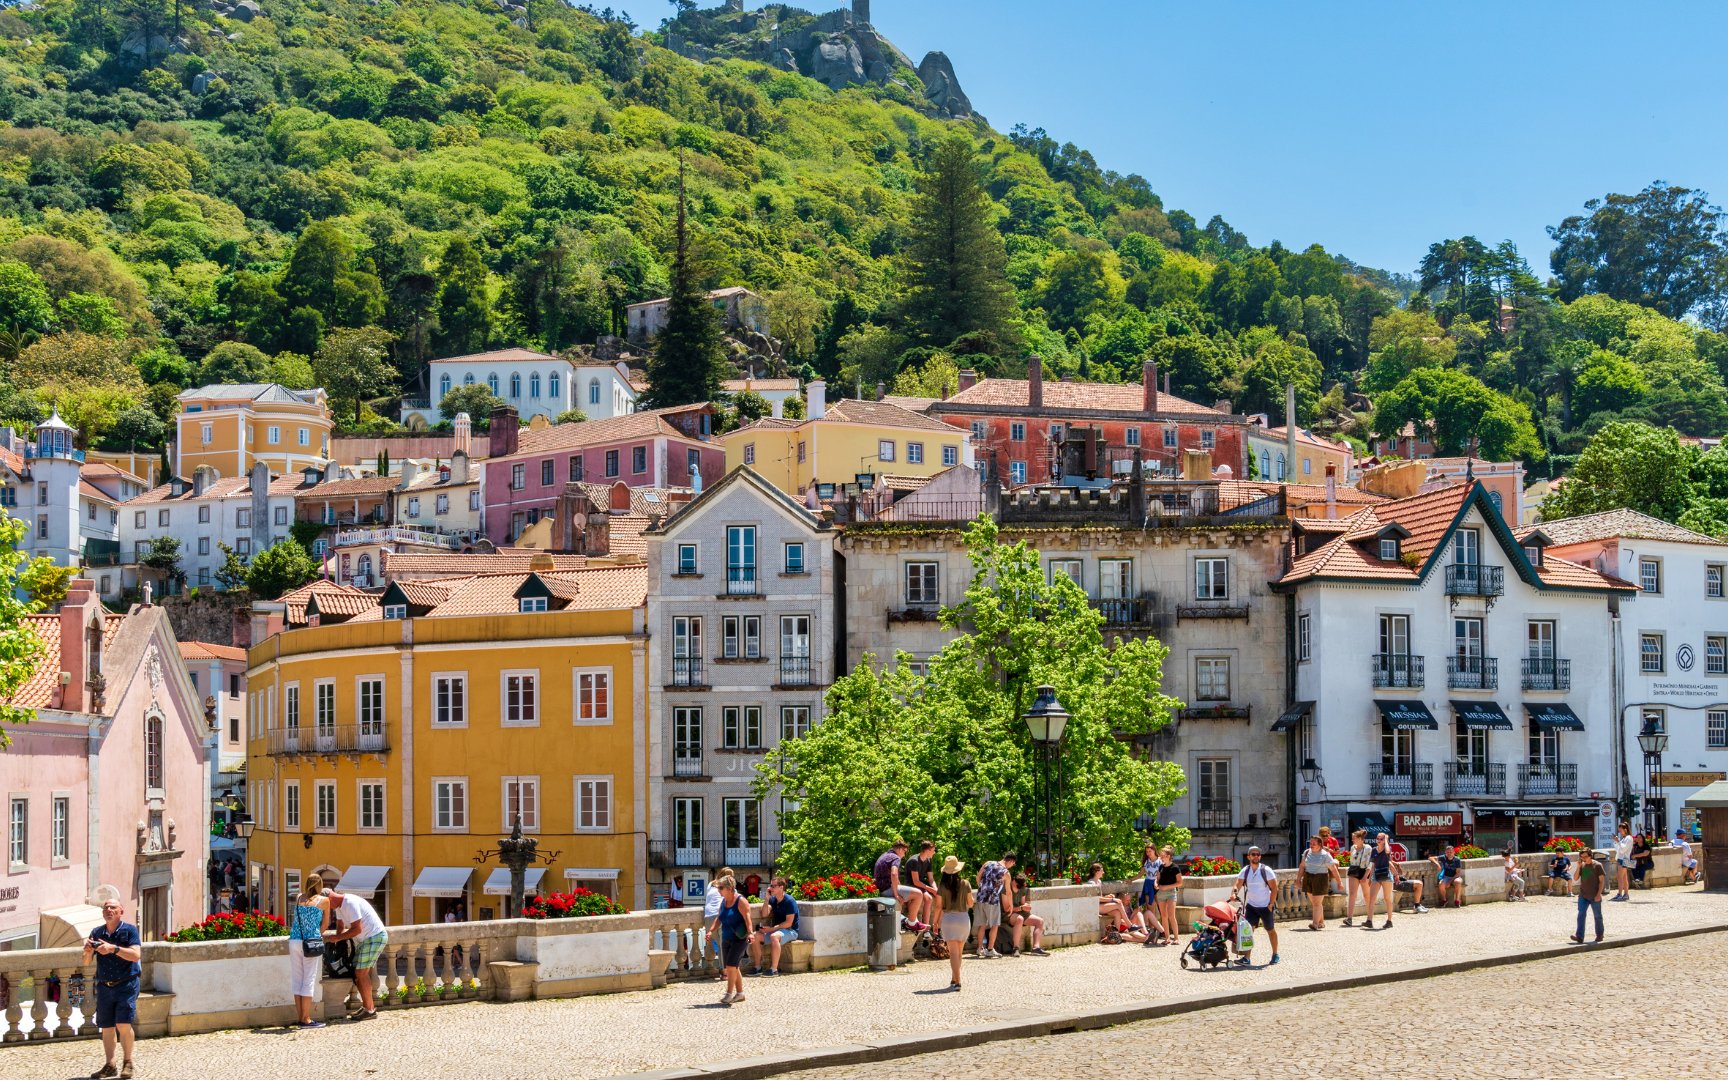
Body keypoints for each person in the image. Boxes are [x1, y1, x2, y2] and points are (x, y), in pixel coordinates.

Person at [84, 896, 143, 1079]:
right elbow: (86, 963)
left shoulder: (129, 930)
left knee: (123, 1024)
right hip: (104, 985)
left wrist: (113, 949)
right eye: (106, 908)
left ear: (121, 911)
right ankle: (110, 1064)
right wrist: (87, 951)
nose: (109, 910)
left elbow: (135, 955)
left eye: (113, 907)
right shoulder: (97, 932)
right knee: (107, 1026)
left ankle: (128, 1062)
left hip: (126, 983)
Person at [322, 886, 389, 1019]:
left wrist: (337, 938)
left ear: (329, 898)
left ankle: (370, 1010)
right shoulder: (339, 906)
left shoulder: (349, 903)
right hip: (365, 940)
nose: (326, 908)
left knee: (360, 973)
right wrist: (338, 944)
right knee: (357, 973)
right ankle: (367, 1007)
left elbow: (357, 929)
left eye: (325, 904)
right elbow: (340, 926)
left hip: (373, 937)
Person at [288, 873, 331, 1028]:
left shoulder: (299, 897)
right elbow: (325, 924)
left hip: (294, 940)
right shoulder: (324, 900)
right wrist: (315, 933)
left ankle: (300, 1017)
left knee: (297, 979)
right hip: (310, 942)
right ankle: (306, 1019)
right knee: (309, 979)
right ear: (320, 885)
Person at [1229, 845, 1279, 965]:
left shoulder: (1266, 870)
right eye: (1253, 854)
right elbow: (1238, 884)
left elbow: (1274, 888)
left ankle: (1275, 954)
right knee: (1248, 931)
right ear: (1248, 857)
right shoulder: (1245, 870)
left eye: (1258, 854)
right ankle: (1247, 958)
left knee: (1270, 930)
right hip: (1251, 906)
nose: (1256, 856)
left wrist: (1271, 904)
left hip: (1265, 906)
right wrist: (1234, 894)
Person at [709, 875, 753, 1005]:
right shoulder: (724, 902)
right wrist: (711, 930)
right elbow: (719, 918)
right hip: (726, 937)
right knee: (734, 966)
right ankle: (740, 993)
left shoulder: (740, 901)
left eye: (721, 888)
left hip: (739, 939)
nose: (718, 890)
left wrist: (750, 933)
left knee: (730, 967)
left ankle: (728, 994)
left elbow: (748, 918)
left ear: (729, 888)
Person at [873, 839, 929, 933]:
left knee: (909, 894)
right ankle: (911, 924)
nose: (904, 855)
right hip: (887, 889)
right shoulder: (896, 857)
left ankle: (911, 921)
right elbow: (894, 874)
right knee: (918, 894)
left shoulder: (885, 855)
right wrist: (896, 894)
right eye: (904, 851)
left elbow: (894, 877)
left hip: (881, 889)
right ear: (899, 849)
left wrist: (899, 889)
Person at [747, 877, 799, 977]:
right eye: (770, 886)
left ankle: (774, 969)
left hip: (791, 930)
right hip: (778, 929)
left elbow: (789, 923)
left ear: (781, 887)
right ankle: (758, 967)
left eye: (773, 886)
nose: (770, 888)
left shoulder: (789, 901)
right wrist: (766, 899)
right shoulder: (773, 900)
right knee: (755, 936)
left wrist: (772, 929)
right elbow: (764, 914)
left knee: (774, 936)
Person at [936, 856, 972, 991]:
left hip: (949, 919)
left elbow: (938, 907)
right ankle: (954, 978)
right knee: (959, 953)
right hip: (963, 919)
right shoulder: (965, 883)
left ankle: (958, 981)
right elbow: (970, 903)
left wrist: (935, 923)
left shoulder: (942, 887)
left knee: (953, 954)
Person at [973, 852, 1013, 958]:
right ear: (1010, 861)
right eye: (1012, 864)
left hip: (981, 897)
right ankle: (990, 949)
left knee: (982, 924)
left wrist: (983, 890)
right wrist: (1011, 905)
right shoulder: (1006, 873)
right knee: (994, 925)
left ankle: (979, 948)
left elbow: (978, 878)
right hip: (992, 900)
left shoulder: (988, 863)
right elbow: (1008, 892)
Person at [1300, 834, 1342, 930]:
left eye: (1314, 843)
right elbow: (1302, 866)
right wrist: (1298, 879)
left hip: (1321, 878)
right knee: (1315, 903)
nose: (1311, 845)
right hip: (1308, 877)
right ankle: (1321, 922)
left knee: (1316, 903)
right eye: (1310, 843)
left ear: (1320, 844)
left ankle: (1315, 924)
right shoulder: (1307, 852)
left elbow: (1333, 869)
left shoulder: (1325, 855)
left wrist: (1339, 882)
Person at [1005, 874, 1049, 956]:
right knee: (1020, 919)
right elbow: (1007, 909)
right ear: (1014, 881)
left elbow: (1023, 902)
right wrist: (1021, 907)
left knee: (1039, 921)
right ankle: (1016, 948)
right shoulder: (1007, 889)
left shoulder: (1023, 889)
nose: (1021, 887)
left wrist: (1026, 906)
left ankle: (1036, 948)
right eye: (1019, 885)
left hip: (1021, 912)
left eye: (1022, 885)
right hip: (1009, 914)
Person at [1570, 847, 1605, 944]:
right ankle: (1579, 936)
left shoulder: (1597, 865)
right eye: (1582, 857)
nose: (1583, 858)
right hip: (1583, 895)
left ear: (1590, 856)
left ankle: (1599, 934)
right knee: (1581, 915)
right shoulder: (1582, 865)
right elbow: (1576, 878)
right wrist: (1578, 866)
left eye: (1585, 856)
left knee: (1597, 916)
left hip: (1594, 895)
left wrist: (1598, 894)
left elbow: (1602, 881)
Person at [1362, 833, 1397, 929]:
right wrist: (1369, 877)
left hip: (1386, 873)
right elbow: (1372, 864)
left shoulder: (1387, 849)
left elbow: (1387, 852)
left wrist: (1386, 840)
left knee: (1387, 898)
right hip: (1376, 874)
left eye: (1381, 839)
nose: (1379, 840)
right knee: (1372, 898)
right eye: (1377, 838)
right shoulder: (1374, 850)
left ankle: (1389, 920)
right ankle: (1369, 920)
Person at [703, 867, 735, 967]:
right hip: (720, 916)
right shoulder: (728, 887)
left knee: (720, 943)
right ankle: (724, 970)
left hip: (708, 916)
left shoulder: (711, 884)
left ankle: (724, 969)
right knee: (723, 945)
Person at [1153, 846, 1182, 946]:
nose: (1161, 858)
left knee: (1171, 916)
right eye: (1161, 856)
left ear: (1168, 856)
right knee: (1164, 916)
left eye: (1163, 856)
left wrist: (1167, 887)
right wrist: (1155, 883)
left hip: (1171, 893)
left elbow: (1180, 883)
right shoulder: (1161, 867)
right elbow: (1157, 878)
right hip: (1161, 893)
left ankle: (1176, 938)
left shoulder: (1175, 867)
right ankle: (1167, 937)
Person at [1343, 829, 1372, 927]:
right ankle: (1349, 918)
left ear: (1360, 838)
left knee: (1367, 895)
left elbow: (1370, 863)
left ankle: (1369, 918)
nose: (1352, 840)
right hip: (1354, 871)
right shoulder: (1352, 848)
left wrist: (1365, 876)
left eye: (1354, 838)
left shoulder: (1368, 848)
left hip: (1364, 871)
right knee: (1352, 894)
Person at [1430, 844, 1465, 908]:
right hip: (1446, 876)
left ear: (1454, 852)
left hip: (1455, 876)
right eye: (1448, 852)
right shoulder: (1443, 857)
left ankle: (1457, 900)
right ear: (1445, 852)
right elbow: (1430, 858)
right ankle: (1444, 900)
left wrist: (1449, 882)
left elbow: (1458, 873)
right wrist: (1437, 864)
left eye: (1451, 852)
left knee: (1458, 882)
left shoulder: (1457, 860)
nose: (1449, 853)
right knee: (1441, 884)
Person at [1611, 821, 1633, 900]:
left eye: (1621, 830)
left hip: (1624, 859)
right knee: (1624, 878)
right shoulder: (1624, 838)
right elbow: (1619, 849)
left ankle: (1620, 894)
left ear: (1625, 829)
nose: (1620, 832)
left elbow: (1623, 849)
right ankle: (1625, 894)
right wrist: (1616, 841)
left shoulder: (1629, 838)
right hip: (1622, 859)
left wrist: (1618, 841)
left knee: (1620, 877)